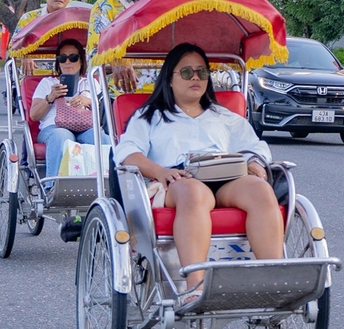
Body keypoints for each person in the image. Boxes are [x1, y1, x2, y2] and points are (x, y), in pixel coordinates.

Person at [113, 43, 284, 309]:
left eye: (202, 73)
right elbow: (126, 152)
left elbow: (254, 146)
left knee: (261, 190)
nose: (195, 78)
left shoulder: (223, 116)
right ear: (170, 79)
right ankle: (195, 286)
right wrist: (160, 171)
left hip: (225, 176)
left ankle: (273, 283)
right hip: (177, 181)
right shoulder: (150, 116)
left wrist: (254, 163)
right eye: (186, 72)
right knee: (194, 192)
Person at [30, 41, 101, 165]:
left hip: (86, 127)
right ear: (58, 62)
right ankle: (53, 183)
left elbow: (104, 113)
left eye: (73, 58)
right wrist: (50, 98)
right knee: (62, 136)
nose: (67, 62)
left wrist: (89, 101)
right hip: (55, 127)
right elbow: (34, 116)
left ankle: (102, 182)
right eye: (63, 58)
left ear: (81, 61)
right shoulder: (47, 83)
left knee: (101, 137)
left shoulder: (91, 82)